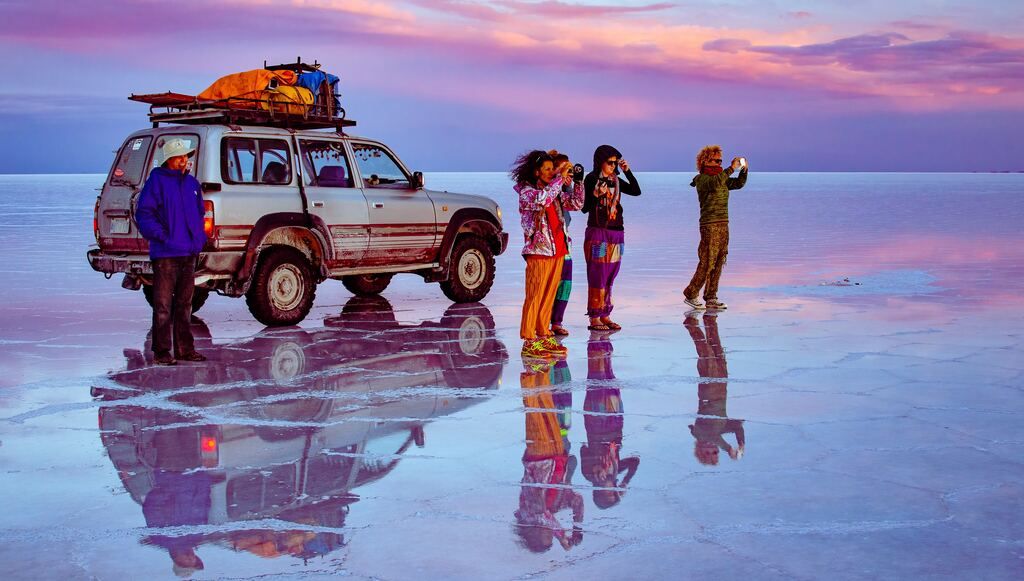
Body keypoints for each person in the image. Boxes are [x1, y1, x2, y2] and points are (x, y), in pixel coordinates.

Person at [135, 138, 208, 365]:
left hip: (189, 252)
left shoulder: (192, 184)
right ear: (169, 160)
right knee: (163, 306)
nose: (185, 160)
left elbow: (199, 215)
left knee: (185, 305)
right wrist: (162, 236)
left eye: (186, 156)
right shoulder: (156, 182)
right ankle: (162, 352)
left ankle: (186, 350)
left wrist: (198, 239)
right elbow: (144, 214)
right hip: (166, 253)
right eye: (180, 157)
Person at [512, 150, 584, 358]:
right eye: (548, 169)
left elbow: (577, 204)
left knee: (549, 295)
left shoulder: (555, 190)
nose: (552, 172)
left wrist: (577, 182)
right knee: (534, 296)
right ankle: (529, 340)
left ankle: (543, 334)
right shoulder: (527, 192)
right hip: (538, 251)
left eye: (553, 169)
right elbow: (542, 200)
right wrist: (559, 179)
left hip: (558, 249)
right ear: (536, 172)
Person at [514, 359, 584, 552]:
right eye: (550, 537)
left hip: (538, 456)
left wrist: (562, 538)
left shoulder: (528, 515)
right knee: (547, 405)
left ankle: (530, 370)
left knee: (536, 410)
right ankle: (543, 369)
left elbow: (543, 516)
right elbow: (578, 501)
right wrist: (577, 527)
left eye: (547, 536)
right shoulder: (557, 504)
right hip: (556, 455)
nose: (550, 534)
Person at [581, 145, 641, 331]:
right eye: (610, 162)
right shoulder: (591, 178)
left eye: (615, 163)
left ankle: (606, 313)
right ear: (600, 161)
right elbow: (584, 207)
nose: (613, 166)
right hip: (598, 231)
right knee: (597, 274)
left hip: (616, 231)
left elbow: (636, 191)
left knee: (610, 275)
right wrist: (595, 194)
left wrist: (627, 172)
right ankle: (594, 316)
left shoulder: (616, 179)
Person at [683, 146, 748, 310]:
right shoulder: (702, 179)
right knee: (707, 261)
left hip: (723, 223)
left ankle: (711, 296)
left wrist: (743, 170)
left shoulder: (723, 178)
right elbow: (714, 183)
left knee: (719, 260)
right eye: (715, 160)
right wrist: (731, 168)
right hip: (709, 225)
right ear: (705, 161)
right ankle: (691, 293)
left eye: (721, 160)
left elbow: (739, 184)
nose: (719, 163)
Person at [581, 331, 640, 508]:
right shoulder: (614, 473)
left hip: (597, 425)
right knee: (610, 379)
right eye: (613, 494)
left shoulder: (590, 475)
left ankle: (594, 340)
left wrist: (596, 465)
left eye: (607, 494)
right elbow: (635, 462)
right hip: (615, 425)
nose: (610, 491)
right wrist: (625, 482)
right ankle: (604, 341)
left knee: (597, 380)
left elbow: (583, 451)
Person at [684, 311, 745, 465]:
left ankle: (690, 323)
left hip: (709, 387)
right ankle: (710, 319)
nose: (713, 448)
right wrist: (741, 443)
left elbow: (713, 437)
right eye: (715, 452)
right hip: (722, 385)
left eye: (708, 452)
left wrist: (729, 448)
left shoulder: (701, 434)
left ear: (699, 450)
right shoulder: (719, 431)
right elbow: (738, 426)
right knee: (716, 347)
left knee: (706, 351)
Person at [547, 150, 576, 337]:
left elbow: (576, 204)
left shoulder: (564, 190)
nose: (567, 172)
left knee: (565, 284)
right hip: (548, 244)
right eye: (563, 168)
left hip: (565, 241)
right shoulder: (546, 189)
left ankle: (557, 321)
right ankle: (543, 323)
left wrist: (574, 184)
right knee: (549, 285)